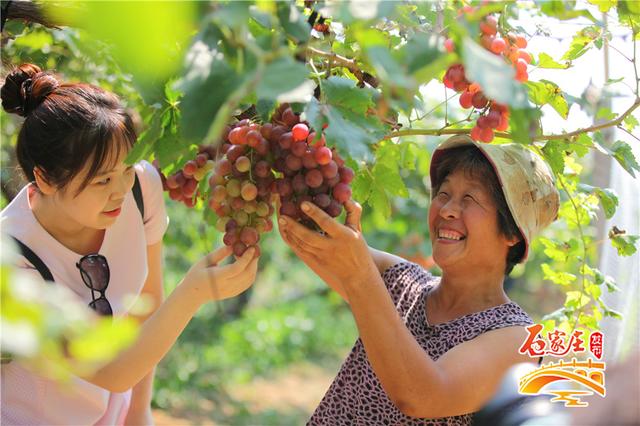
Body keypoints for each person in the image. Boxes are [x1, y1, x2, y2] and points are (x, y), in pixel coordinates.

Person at [0, 63, 259, 426]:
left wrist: (138, 412)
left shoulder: (140, 188)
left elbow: (144, 310)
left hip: (112, 412)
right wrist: (193, 293)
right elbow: (110, 370)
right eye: (102, 180)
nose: (120, 190)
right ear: (43, 178)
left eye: (126, 169)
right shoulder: (10, 258)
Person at [277, 134, 560, 425]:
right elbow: (314, 239)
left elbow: (420, 395)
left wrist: (360, 275)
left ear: (512, 234)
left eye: (470, 198)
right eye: (444, 194)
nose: (447, 209)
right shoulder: (402, 282)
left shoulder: (516, 338)